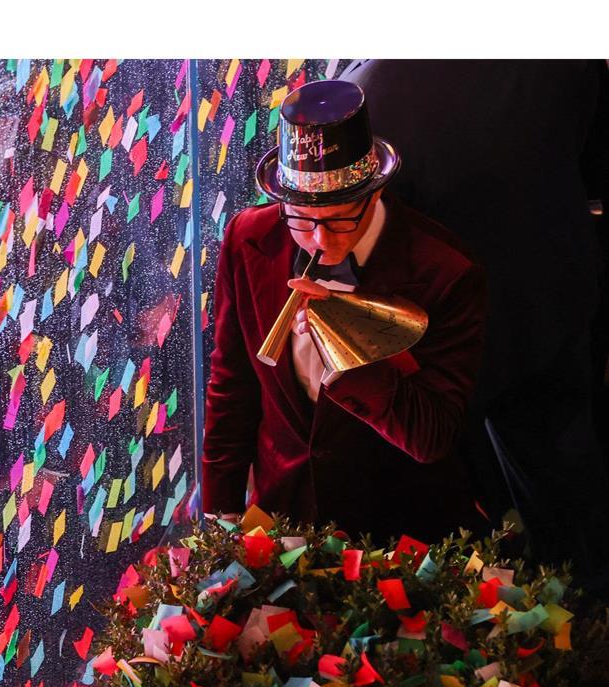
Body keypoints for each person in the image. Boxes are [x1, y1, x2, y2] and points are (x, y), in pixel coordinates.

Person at [341, 60, 609, 597]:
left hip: (449, 343)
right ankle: (582, 609)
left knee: (459, 521)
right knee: (567, 484)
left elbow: (359, 244)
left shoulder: (368, 93)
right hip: (553, 302)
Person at [202, 80, 488, 544]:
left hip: (400, 535)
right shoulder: (248, 239)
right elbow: (231, 388)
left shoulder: (447, 272)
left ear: (374, 195)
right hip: (283, 523)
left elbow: (432, 437)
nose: (318, 239)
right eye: (301, 219)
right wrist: (222, 518)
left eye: (338, 219)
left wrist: (346, 350)